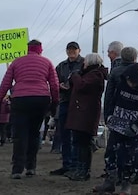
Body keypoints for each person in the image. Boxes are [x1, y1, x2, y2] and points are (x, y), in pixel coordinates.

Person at [0, 39, 59, 179]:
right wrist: (55, 103)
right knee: (34, 133)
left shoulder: (16, 62)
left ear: (27, 48)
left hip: (20, 99)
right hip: (41, 99)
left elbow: (5, 83)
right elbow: (54, 85)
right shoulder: (47, 62)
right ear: (40, 49)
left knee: (20, 134)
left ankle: (17, 169)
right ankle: (31, 167)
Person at [95, 62, 138, 194]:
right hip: (117, 125)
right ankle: (110, 181)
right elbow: (113, 100)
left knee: (130, 156)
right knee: (110, 153)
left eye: (132, 81)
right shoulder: (121, 85)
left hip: (134, 129)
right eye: (128, 81)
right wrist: (109, 115)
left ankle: (126, 182)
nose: (130, 84)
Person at [65, 52, 108, 181]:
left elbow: (82, 86)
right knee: (79, 142)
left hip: (85, 114)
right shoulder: (94, 74)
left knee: (83, 143)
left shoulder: (95, 75)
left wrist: (75, 76)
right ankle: (80, 169)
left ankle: (83, 171)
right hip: (83, 113)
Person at [50, 41, 84, 176]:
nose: (71, 51)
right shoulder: (61, 66)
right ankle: (66, 164)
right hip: (64, 101)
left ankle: (76, 164)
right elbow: (54, 81)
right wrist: (59, 86)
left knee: (76, 134)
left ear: (79, 50)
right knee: (64, 133)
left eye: (74, 49)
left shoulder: (84, 64)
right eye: (69, 49)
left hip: (78, 102)